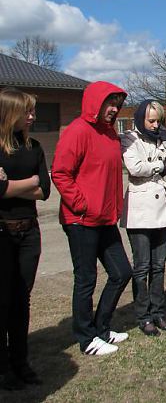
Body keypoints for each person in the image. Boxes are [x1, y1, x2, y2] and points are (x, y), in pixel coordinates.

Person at [51, 81, 133, 356]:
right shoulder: (78, 131)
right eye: (109, 104)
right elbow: (61, 173)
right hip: (81, 220)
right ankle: (86, 338)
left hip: (105, 218)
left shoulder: (110, 134)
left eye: (116, 105)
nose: (113, 110)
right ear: (94, 104)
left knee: (122, 272)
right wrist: (81, 204)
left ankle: (102, 327)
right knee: (86, 279)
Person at [0, 89, 50, 389]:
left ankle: (21, 361)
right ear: (10, 113)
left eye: (33, 111)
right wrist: (26, 183)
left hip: (29, 231)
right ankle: (4, 366)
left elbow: (44, 189)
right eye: (27, 112)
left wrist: (10, 184)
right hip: (3, 232)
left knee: (22, 298)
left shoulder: (34, 147)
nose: (32, 117)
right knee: (3, 300)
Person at [120, 100, 166, 336]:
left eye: (159, 121)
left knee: (159, 266)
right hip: (140, 210)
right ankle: (143, 316)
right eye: (151, 121)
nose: (156, 125)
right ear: (140, 119)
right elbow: (135, 168)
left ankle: (158, 312)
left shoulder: (163, 138)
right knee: (142, 266)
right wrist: (158, 164)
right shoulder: (130, 138)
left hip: (163, 208)